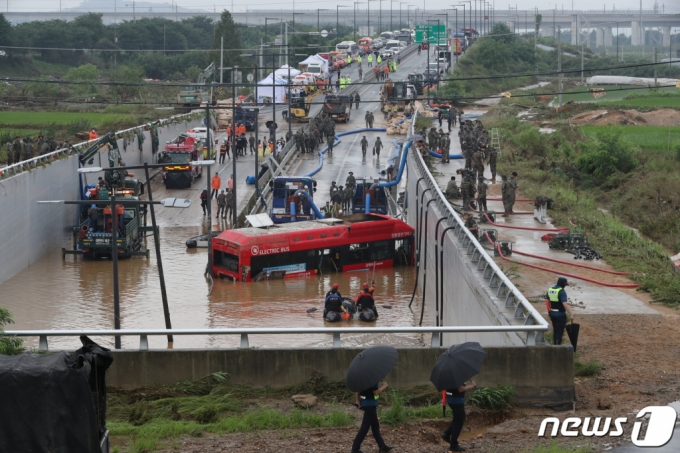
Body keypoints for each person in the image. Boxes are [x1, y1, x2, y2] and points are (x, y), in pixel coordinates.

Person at [352, 381, 392, 453]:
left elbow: (357, 390)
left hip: (365, 403)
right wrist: (384, 386)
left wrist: (357, 401)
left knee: (375, 426)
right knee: (365, 427)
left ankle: (382, 446)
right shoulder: (372, 380)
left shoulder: (361, 378)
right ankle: (355, 449)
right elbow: (376, 392)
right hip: (370, 405)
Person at [441, 380, 477, 452]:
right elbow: (460, 389)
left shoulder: (449, 376)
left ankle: (447, 434)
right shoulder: (456, 377)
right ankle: (453, 445)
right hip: (456, 401)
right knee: (459, 421)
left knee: (457, 418)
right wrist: (471, 385)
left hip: (451, 399)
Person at [547, 277, 575, 345]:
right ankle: (557, 347)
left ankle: (554, 345)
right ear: (564, 284)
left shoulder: (550, 290)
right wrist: (571, 314)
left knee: (555, 330)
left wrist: (549, 311)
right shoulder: (561, 291)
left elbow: (547, 301)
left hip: (552, 314)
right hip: (561, 315)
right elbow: (565, 304)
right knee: (559, 332)